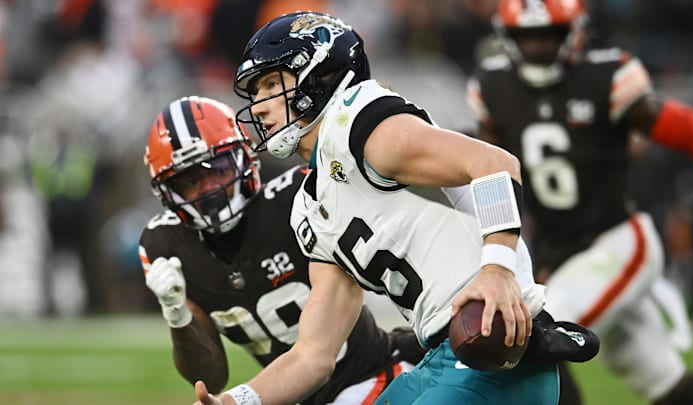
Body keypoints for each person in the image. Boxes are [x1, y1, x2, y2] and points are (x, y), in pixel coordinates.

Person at [195, 11, 599, 405]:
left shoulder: (355, 123)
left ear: (319, 75)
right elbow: (312, 357)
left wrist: (497, 269)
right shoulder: (310, 205)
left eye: (271, 84)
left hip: (494, 345)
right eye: (257, 92)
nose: (260, 106)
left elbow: (495, 165)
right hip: (442, 357)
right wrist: (237, 400)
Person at [465, 1, 693, 404]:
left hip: (617, 240)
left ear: (575, 32)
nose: (537, 48)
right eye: (526, 37)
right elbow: (491, 175)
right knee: (669, 386)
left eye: (549, 36)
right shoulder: (492, 86)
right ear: (507, 38)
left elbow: (685, 129)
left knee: (538, 336)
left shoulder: (606, 75)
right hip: (562, 252)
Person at [139, 95, 428, 404]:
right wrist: (177, 314)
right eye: (190, 180)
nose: (209, 189)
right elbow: (210, 377)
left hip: (370, 375)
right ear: (167, 192)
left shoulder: (299, 198)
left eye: (218, 168)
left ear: (244, 158)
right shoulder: (164, 244)